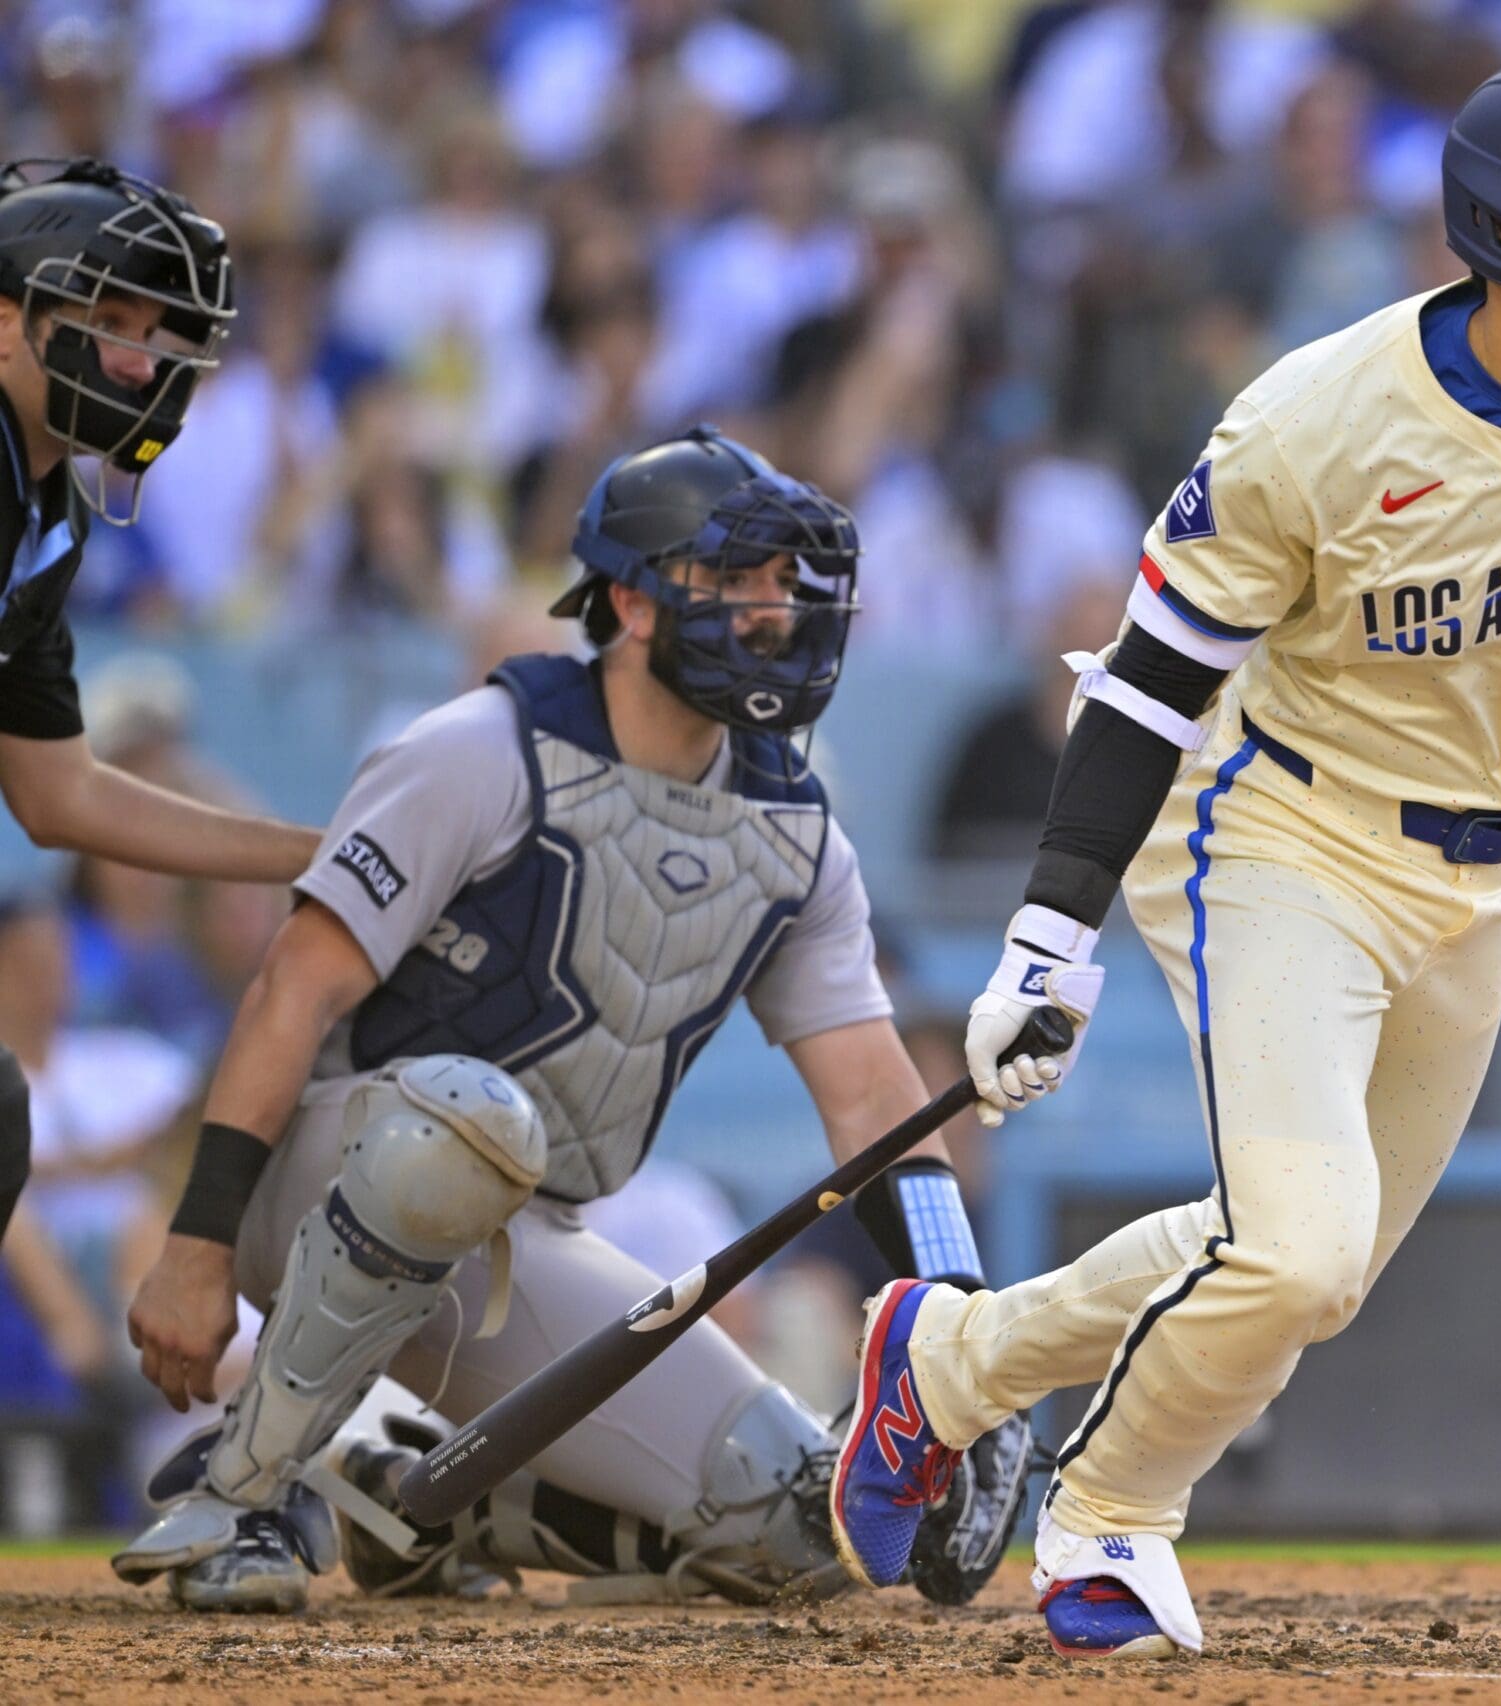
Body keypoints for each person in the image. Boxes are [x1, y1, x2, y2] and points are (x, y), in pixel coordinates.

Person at [830, 57, 1501, 1657]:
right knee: (1293, 1248)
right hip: (1277, 822)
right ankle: (1103, 1523)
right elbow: (1155, 668)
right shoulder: (1318, 416)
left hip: (1487, 874)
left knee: (1312, 1255)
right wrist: (1050, 930)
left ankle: (944, 1370)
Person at [111, 428, 1031, 1612]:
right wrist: (195, 1248)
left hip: (517, 1238)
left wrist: (965, 1327)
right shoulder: (477, 748)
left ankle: (410, 1501)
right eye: (734, 577)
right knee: (465, 1120)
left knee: (806, 1526)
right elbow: (293, 986)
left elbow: (870, 1093)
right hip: (322, 1184)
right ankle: (242, 1495)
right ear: (632, 604)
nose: (770, 608)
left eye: (782, 582)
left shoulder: (800, 836)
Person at [0, 158, 320, 1242]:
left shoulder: (47, 514)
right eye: (110, 320)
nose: (142, 362)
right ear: (7, 324)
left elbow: (62, 795)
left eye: (163, 335)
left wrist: (320, 849)